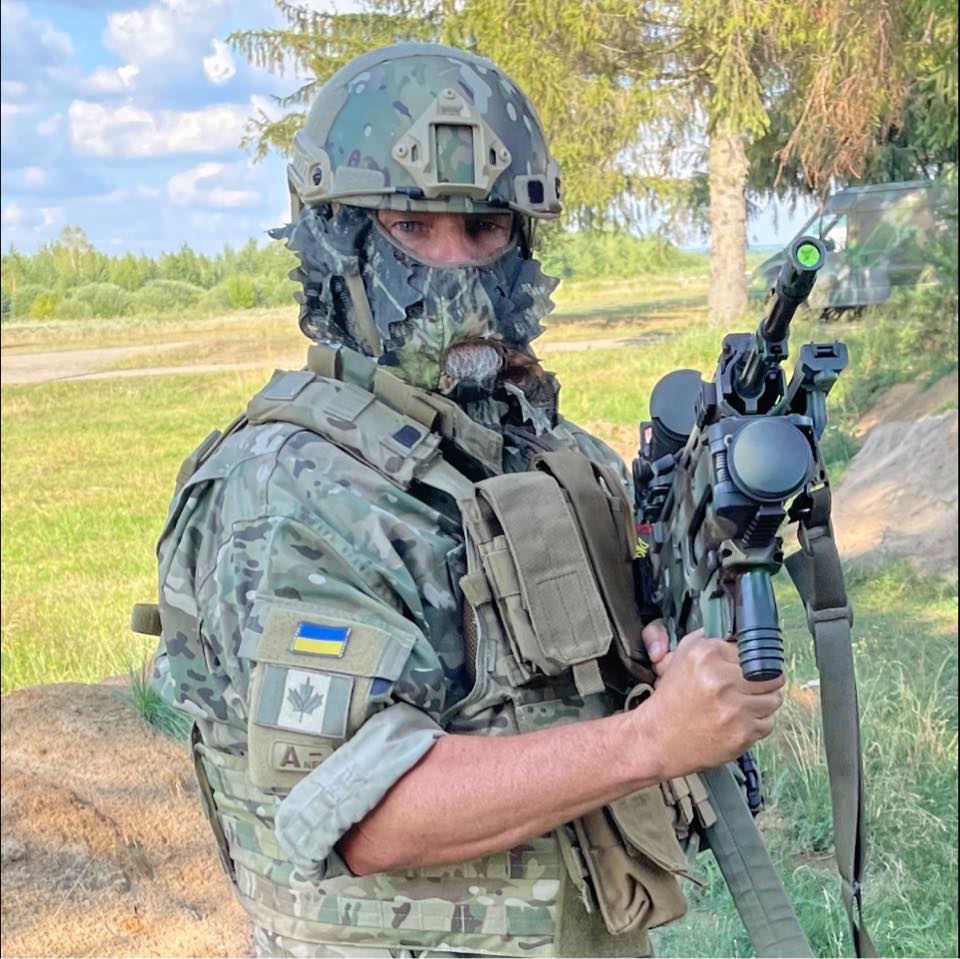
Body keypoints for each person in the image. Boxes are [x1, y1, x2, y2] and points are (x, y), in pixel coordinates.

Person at [149, 42, 784, 959]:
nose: (457, 271)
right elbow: (367, 814)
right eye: (413, 228)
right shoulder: (290, 487)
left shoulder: (546, 449)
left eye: (485, 228)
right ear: (339, 248)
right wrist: (651, 739)